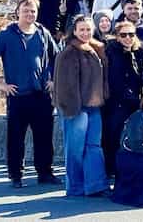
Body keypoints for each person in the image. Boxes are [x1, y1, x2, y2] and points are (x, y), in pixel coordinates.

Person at [0, 0, 61, 189]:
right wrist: (0, 84)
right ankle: (16, 175)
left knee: (44, 137)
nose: (29, 14)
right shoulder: (7, 34)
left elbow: (57, 57)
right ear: (18, 11)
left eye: (33, 11)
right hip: (17, 96)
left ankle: (45, 172)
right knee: (16, 138)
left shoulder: (43, 33)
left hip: (41, 95)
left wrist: (53, 80)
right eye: (26, 11)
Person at [53, 15, 109, 197]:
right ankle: (75, 186)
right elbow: (64, 84)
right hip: (76, 108)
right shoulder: (69, 52)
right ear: (74, 31)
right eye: (81, 30)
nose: (85, 33)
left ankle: (95, 184)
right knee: (75, 149)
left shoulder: (95, 49)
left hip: (94, 106)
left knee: (94, 146)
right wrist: (71, 109)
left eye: (88, 29)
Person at [102, 20, 143, 178]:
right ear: (116, 36)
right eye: (123, 35)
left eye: (131, 34)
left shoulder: (141, 51)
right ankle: (111, 169)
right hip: (116, 103)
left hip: (135, 102)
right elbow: (115, 80)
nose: (128, 38)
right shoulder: (112, 52)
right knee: (113, 136)